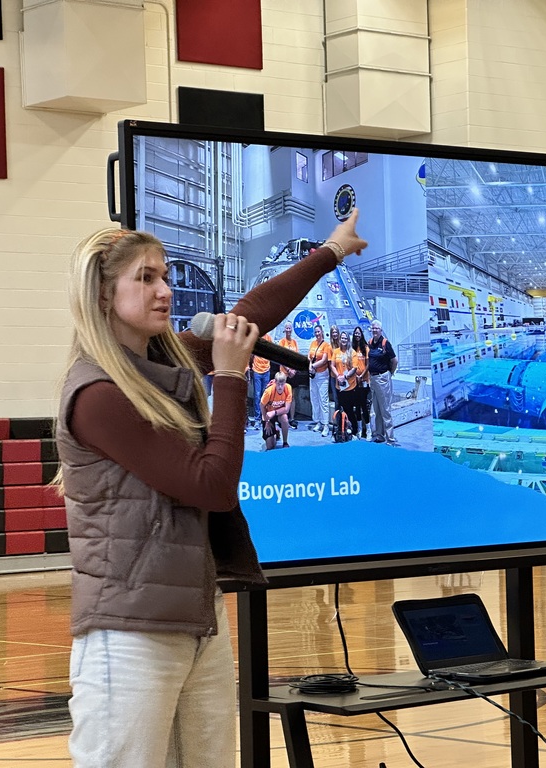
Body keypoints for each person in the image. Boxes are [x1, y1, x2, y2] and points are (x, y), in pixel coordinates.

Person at [54, 210, 366, 767]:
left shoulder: (163, 359)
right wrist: (230, 377)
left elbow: (247, 316)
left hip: (198, 618)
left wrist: (331, 252)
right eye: (144, 278)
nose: (164, 290)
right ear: (104, 296)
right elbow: (212, 485)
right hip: (129, 633)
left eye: (165, 275)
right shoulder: (98, 395)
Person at [367, 319, 398, 445]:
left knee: (385, 409)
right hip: (373, 379)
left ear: (381, 330)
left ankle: (390, 438)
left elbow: (394, 361)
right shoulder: (370, 343)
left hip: (382, 378)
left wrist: (390, 373)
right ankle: (379, 435)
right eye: (373, 328)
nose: (374, 330)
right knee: (377, 409)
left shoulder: (385, 343)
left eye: (377, 328)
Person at [331, 329, 366, 438]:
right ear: (340, 340)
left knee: (350, 410)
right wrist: (338, 376)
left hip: (350, 387)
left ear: (348, 340)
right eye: (342, 338)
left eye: (346, 338)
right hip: (339, 386)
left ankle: (354, 431)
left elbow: (354, 368)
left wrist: (345, 377)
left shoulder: (352, 353)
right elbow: (332, 365)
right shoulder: (336, 351)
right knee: (340, 409)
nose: (344, 340)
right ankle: (341, 430)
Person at [308, 324, 332, 436]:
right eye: (315, 332)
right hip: (313, 375)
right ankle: (318, 422)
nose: (317, 334)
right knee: (314, 399)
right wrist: (310, 366)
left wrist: (313, 366)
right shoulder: (313, 343)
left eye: (318, 332)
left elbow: (324, 360)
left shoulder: (326, 345)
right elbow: (309, 357)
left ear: (322, 332)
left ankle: (326, 425)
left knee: (323, 400)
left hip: (322, 375)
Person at [277, 321, 301, 429]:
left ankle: (292, 418)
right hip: (284, 374)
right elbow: (280, 358)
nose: (288, 330)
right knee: (283, 396)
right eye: (286, 328)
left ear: (292, 330)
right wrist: (288, 370)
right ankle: (283, 418)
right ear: (284, 329)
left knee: (292, 397)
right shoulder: (282, 342)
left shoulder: (295, 342)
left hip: (293, 374)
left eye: (289, 328)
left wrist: (294, 370)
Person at [260, 371, 293, 450]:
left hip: (279, 414)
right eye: (278, 384)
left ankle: (285, 442)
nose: (280, 387)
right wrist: (266, 421)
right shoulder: (268, 391)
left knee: (285, 418)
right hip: (268, 415)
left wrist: (274, 412)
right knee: (270, 446)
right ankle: (276, 433)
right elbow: (261, 406)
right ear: (275, 382)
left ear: (285, 383)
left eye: (282, 384)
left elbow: (287, 409)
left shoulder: (288, 388)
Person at [248, 331, 273, 429]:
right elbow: (251, 354)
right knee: (257, 395)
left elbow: (272, 352)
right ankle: (257, 419)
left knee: (265, 395)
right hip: (257, 371)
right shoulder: (255, 338)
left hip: (266, 370)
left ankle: (264, 418)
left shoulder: (269, 338)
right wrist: (251, 366)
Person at [351, 325, 371, 439]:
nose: (357, 335)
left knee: (363, 406)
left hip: (363, 381)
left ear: (361, 334)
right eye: (355, 333)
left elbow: (368, 365)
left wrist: (361, 376)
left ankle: (368, 431)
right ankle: (358, 430)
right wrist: (355, 376)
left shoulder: (365, 348)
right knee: (357, 406)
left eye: (358, 333)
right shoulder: (352, 348)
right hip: (354, 381)